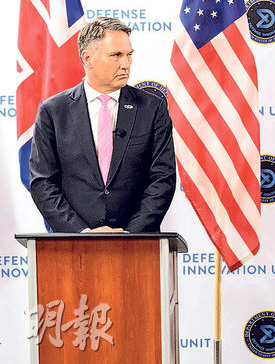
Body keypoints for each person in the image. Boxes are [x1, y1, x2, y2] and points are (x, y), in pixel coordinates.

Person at [29, 17, 176, 233]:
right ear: (87, 58)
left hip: (138, 243)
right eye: (116, 55)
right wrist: (82, 233)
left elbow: (162, 179)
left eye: (129, 55)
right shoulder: (53, 111)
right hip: (73, 244)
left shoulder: (152, 109)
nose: (126, 64)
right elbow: (43, 183)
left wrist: (129, 235)